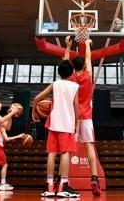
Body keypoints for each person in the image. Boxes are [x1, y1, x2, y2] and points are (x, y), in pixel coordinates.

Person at [32, 59, 80, 198]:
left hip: (53, 123)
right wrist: (76, 123)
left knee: (51, 153)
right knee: (65, 153)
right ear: (72, 73)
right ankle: (63, 186)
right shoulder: (75, 86)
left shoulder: (55, 84)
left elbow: (36, 98)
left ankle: (50, 186)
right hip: (67, 124)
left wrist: (34, 112)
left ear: (59, 73)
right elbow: (76, 108)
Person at [63, 36, 101, 195]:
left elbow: (64, 62)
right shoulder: (88, 75)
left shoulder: (70, 77)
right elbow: (88, 58)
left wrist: (67, 46)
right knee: (89, 146)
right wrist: (86, 44)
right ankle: (94, 177)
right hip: (86, 116)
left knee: (68, 149)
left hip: (72, 117)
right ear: (84, 66)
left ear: (72, 67)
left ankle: (65, 181)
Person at [0, 119, 25, 191]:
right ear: (2, 122)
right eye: (7, 122)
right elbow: (6, 139)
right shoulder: (2, 128)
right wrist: (18, 136)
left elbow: (7, 131)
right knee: (5, 164)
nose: (8, 123)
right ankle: (3, 184)